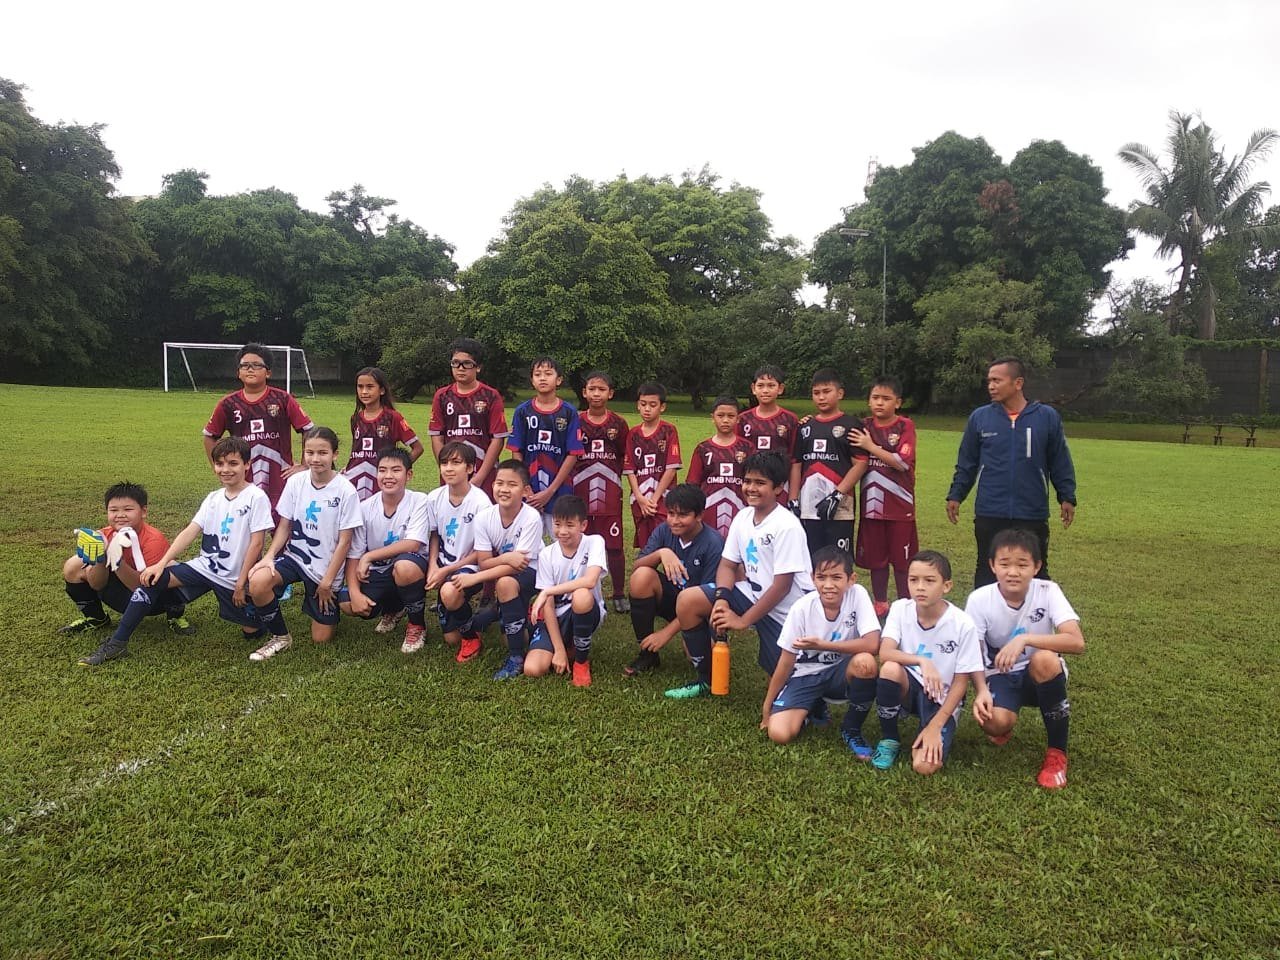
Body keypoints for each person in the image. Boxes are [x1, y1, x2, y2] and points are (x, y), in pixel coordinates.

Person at [76, 439, 274, 666]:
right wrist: (161, 564)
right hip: (206, 567)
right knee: (153, 580)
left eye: (233, 463)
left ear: (247, 464)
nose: (225, 469)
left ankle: (261, 612)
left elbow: (257, 544)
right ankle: (117, 644)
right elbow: (190, 531)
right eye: (220, 464)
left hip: (234, 576)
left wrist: (240, 583)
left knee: (252, 632)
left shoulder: (256, 496)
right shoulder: (213, 498)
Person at [666, 452, 814, 699]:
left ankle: (810, 701)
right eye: (747, 481)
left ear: (778, 488)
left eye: (760, 483)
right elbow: (727, 565)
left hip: (785, 611)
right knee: (688, 601)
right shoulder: (743, 516)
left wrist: (743, 620)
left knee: (786, 694)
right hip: (752, 594)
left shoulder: (787, 526)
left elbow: (782, 587)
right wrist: (722, 599)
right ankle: (706, 679)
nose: (751, 488)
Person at [966, 528, 1084, 790]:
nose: (1013, 572)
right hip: (1000, 675)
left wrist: (1025, 639)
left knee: (1045, 660)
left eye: (1022, 564)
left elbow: (1076, 642)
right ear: (992, 565)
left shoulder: (1048, 591)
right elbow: (972, 653)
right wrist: (981, 690)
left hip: (1038, 673)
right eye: (1004, 564)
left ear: (1036, 567)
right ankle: (1006, 719)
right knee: (993, 722)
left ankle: (1056, 754)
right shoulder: (979, 599)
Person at [946, 357, 1077, 588]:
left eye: (997, 380)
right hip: (990, 509)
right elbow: (967, 462)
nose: (991, 386)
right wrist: (956, 494)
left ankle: (1036, 612)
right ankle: (985, 613)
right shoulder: (980, 418)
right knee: (987, 569)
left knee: (1035, 570)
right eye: (989, 381)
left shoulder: (1046, 417)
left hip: (1031, 511)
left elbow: (1059, 460)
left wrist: (1066, 496)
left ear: (1018, 383)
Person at [246, 427, 362, 661]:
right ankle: (280, 636)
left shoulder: (346, 491)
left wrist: (327, 582)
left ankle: (326, 603)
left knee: (321, 638)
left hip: (325, 569)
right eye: (310, 452)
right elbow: (284, 526)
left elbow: (345, 541)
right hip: (295, 558)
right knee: (258, 581)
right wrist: (269, 556)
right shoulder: (296, 482)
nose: (315, 459)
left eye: (322, 453)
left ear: (335, 454)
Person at [871, 550, 984, 775]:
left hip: (942, 697)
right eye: (913, 580)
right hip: (910, 687)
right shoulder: (900, 609)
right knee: (890, 669)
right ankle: (889, 738)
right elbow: (885, 653)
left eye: (929, 581)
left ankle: (930, 728)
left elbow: (961, 683)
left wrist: (936, 725)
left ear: (947, 586)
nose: (920, 587)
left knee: (924, 766)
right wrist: (922, 661)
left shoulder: (963, 624)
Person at [760, 546, 881, 749]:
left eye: (836, 577)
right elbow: (786, 661)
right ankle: (812, 707)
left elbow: (872, 644)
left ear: (851, 579)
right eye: (821, 577)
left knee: (866, 663)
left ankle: (851, 729)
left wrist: (822, 645)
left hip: (840, 672)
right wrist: (767, 706)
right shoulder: (801, 608)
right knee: (779, 733)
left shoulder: (858, 594)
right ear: (812, 578)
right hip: (806, 675)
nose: (828, 585)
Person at [59, 481, 193, 637]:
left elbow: (143, 589)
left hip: (153, 599)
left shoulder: (153, 540)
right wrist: (101, 558)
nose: (120, 515)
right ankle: (96, 618)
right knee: (73, 565)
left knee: (172, 566)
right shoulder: (103, 536)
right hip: (121, 594)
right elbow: (97, 584)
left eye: (128, 509)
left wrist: (117, 561)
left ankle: (175, 616)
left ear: (143, 511)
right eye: (113, 510)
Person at [449, 460, 543, 681]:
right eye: (500, 483)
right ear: (493, 486)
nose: (504, 489)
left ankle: (516, 658)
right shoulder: (484, 517)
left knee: (505, 583)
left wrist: (476, 578)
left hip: (534, 572)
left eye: (512, 484)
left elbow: (520, 564)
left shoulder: (531, 517)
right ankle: (502, 613)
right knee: (504, 617)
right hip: (505, 568)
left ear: (525, 490)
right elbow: (484, 561)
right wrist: (506, 558)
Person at [623, 484, 724, 677]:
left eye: (683, 515)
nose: (675, 521)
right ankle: (648, 654)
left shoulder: (713, 543)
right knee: (641, 577)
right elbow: (637, 567)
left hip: (700, 608)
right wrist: (661, 553)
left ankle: (694, 636)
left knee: (698, 655)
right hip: (674, 597)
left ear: (699, 515)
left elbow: (711, 599)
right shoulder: (664, 530)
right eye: (671, 513)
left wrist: (665, 633)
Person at [338, 448, 432, 653]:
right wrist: (354, 592)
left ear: (409, 475)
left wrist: (369, 556)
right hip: (380, 571)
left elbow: (413, 543)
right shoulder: (365, 507)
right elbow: (354, 555)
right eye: (382, 470)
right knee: (347, 603)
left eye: (396, 470)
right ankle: (394, 609)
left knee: (404, 567)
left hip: (412, 567)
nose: (388, 476)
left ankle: (416, 625)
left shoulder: (419, 501)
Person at [202, 343, 314, 514]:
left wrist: (305, 465)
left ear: (268, 372)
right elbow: (209, 436)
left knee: (281, 523)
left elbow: (308, 430)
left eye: (256, 365)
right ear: (238, 372)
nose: (250, 369)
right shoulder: (228, 404)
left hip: (280, 478)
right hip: (244, 479)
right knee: (245, 522)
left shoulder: (282, 399)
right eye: (245, 365)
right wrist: (220, 468)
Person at [850, 375, 919, 619]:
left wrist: (870, 447)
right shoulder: (863, 425)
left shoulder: (905, 426)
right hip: (871, 506)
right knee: (876, 560)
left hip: (900, 506)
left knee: (902, 561)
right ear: (869, 401)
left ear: (897, 402)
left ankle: (905, 604)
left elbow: (901, 462)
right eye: (875, 397)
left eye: (886, 398)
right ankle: (880, 603)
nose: (880, 403)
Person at [526, 495, 607, 687]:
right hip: (556, 617)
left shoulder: (594, 542)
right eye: (557, 524)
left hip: (585, 610)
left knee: (581, 594)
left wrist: (547, 591)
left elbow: (590, 580)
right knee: (533, 669)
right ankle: (566, 648)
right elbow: (548, 606)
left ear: (583, 525)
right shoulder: (546, 554)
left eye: (570, 525)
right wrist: (559, 650)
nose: (562, 531)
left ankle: (581, 662)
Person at [424, 442, 493, 663]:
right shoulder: (434, 497)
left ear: (470, 468)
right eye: (444, 463)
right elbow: (434, 535)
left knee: (449, 592)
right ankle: (478, 620)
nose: (448, 468)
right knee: (451, 639)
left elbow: (482, 552)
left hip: (470, 566)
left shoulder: (481, 503)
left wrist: (447, 571)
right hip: (443, 562)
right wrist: (433, 565)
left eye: (456, 463)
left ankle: (471, 636)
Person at [573, 370, 630, 612]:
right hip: (580, 491)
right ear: (584, 392)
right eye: (592, 389)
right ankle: (580, 587)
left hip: (609, 493)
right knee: (580, 543)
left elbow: (624, 456)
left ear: (610, 393)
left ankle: (618, 593)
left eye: (602, 389)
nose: (596, 394)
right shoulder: (575, 420)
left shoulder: (619, 424)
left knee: (614, 545)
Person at [507, 357, 584, 534]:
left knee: (562, 539)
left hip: (559, 489)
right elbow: (516, 451)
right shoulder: (522, 411)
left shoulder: (569, 412)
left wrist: (550, 491)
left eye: (548, 374)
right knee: (527, 542)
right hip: (529, 491)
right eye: (538, 374)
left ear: (559, 380)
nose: (542, 378)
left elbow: (573, 453)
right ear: (532, 380)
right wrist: (527, 489)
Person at [790, 368, 860, 559]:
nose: (821, 397)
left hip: (840, 506)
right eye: (816, 393)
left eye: (826, 391)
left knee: (840, 560)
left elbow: (860, 464)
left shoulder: (851, 424)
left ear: (840, 393)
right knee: (811, 560)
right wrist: (793, 499)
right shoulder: (805, 427)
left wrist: (837, 495)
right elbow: (796, 464)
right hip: (808, 506)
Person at [428, 338, 509, 495]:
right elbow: (437, 436)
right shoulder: (442, 396)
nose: (460, 368)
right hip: (452, 474)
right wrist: (446, 468)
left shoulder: (491, 396)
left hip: (483, 474)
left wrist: (479, 478)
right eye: (455, 363)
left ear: (478, 367)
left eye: (467, 363)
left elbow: (497, 439)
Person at [343, 367, 423, 500]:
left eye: (370, 387)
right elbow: (357, 450)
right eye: (360, 387)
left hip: (379, 479)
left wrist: (398, 468)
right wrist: (348, 467)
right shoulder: (355, 418)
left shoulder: (393, 417)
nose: (364, 391)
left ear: (382, 390)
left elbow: (418, 448)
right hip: (355, 478)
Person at [623, 381, 682, 549]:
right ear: (638, 405)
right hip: (640, 499)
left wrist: (654, 499)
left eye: (652, 405)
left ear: (662, 407)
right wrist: (639, 498)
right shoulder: (633, 434)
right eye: (643, 404)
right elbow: (629, 469)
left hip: (663, 499)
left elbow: (671, 468)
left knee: (666, 543)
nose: (647, 409)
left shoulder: (669, 431)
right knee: (646, 546)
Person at [686, 395, 752, 540]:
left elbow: (754, 480)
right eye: (720, 415)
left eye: (731, 416)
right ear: (713, 418)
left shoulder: (747, 448)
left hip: (740, 508)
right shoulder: (703, 449)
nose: (725, 420)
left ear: (738, 419)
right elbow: (693, 484)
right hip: (708, 510)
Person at [737, 364, 799, 504]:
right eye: (761, 385)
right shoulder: (743, 419)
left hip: (779, 486)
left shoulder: (790, 419)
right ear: (753, 388)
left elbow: (795, 460)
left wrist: (793, 497)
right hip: (751, 486)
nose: (765, 390)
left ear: (780, 389)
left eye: (771, 385)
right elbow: (737, 453)